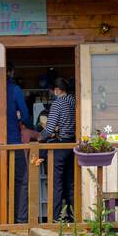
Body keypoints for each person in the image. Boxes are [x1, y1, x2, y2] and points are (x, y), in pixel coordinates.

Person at [42, 76, 77, 223]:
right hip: (72, 144)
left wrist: (40, 136)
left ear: (56, 90)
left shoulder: (58, 104)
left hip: (60, 145)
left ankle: (56, 217)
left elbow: (49, 129)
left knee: (56, 182)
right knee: (70, 182)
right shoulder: (74, 101)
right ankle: (72, 215)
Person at [5, 72, 38, 224]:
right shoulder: (14, 89)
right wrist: (31, 127)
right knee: (22, 180)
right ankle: (20, 219)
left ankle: (3, 218)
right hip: (13, 142)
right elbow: (24, 114)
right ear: (10, 72)